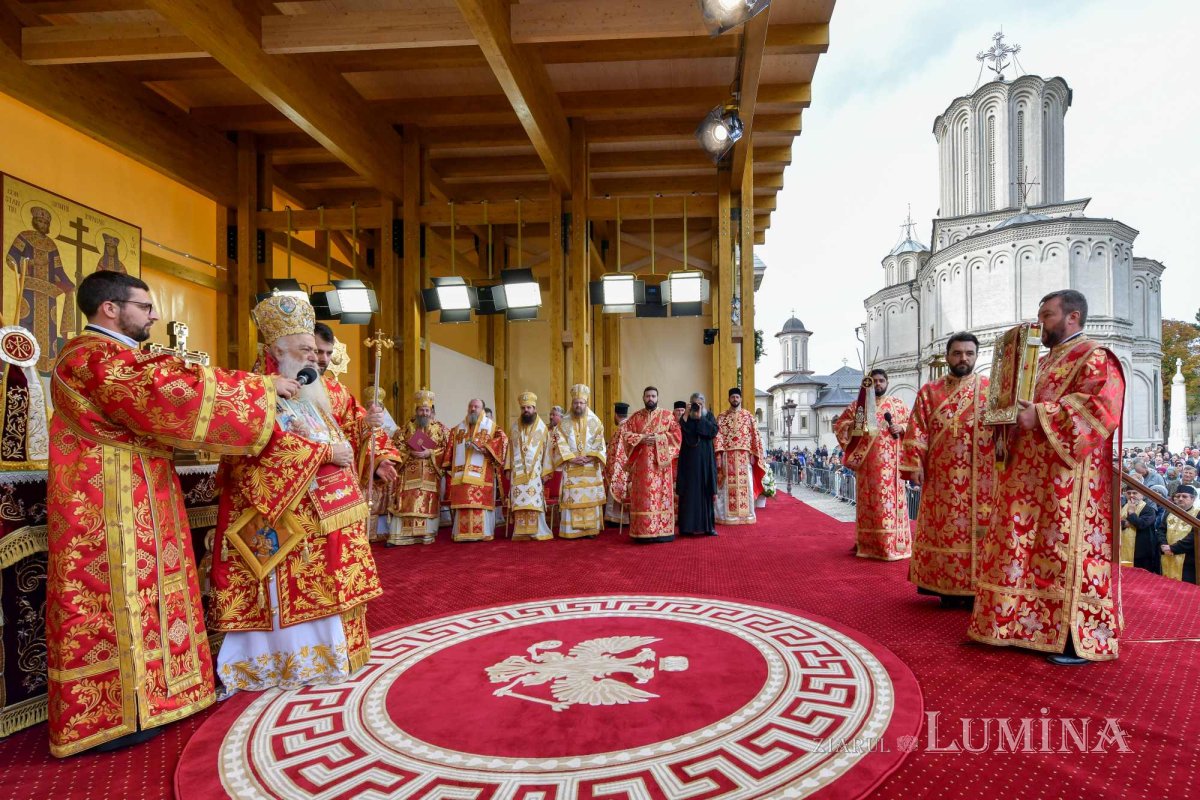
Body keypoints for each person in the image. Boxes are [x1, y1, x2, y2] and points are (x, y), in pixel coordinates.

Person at [45, 272, 288, 756]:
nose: (154, 315)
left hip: (140, 490)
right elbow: (166, 394)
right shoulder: (92, 356)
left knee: (152, 593)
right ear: (110, 308)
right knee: (115, 600)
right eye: (144, 306)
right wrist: (261, 388)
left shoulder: (115, 355)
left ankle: (159, 696)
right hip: (106, 502)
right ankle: (114, 714)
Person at [211, 294, 382, 692]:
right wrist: (325, 453)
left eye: (314, 349)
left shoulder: (308, 392)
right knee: (290, 582)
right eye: (305, 349)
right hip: (284, 519)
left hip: (325, 509)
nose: (313, 357)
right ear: (277, 350)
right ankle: (289, 660)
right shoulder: (255, 392)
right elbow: (258, 449)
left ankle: (332, 653)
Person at [969, 290, 1125, 665]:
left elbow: (1100, 409)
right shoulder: (1038, 363)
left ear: (1073, 317)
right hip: (1026, 477)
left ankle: (1073, 639)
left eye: (1048, 315)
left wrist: (1039, 415)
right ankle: (1024, 627)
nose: (1040, 323)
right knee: (1022, 551)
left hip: (1067, 481)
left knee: (1061, 555)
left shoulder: (1095, 356)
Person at [900, 333, 994, 606]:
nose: (963, 358)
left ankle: (979, 589)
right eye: (957, 353)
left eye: (969, 353)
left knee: (980, 533)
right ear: (947, 356)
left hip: (982, 477)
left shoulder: (990, 389)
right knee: (944, 529)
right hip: (942, 477)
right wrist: (915, 463)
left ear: (976, 356)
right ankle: (945, 587)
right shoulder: (930, 392)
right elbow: (917, 429)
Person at [833, 368, 911, 560]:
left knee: (890, 506)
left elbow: (913, 425)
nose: (878, 384)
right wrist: (856, 426)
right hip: (868, 467)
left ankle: (893, 544)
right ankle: (869, 544)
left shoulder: (898, 405)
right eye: (874, 381)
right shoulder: (858, 407)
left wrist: (901, 427)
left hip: (893, 468)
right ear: (868, 384)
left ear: (887, 382)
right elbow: (840, 426)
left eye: (881, 380)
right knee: (872, 506)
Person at [5, 205, 72, 370]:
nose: (42, 224)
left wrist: (68, 284)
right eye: (39, 221)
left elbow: (58, 270)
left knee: (49, 329)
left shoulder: (51, 245)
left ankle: (45, 365)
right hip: (28, 290)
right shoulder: (24, 237)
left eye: (45, 222)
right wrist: (32, 262)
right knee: (26, 322)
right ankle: (21, 361)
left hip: (48, 295)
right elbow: (11, 258)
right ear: (34, 221)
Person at [381, 389, 449, 546]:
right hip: (408, 472)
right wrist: (408, 452)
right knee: (406, 502)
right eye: (421, 410)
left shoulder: (441, 429)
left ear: (431, 411)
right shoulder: (406, 428)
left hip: (429, 472)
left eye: (427, 410)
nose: (424, 413)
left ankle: (425, 534)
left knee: (425, 501)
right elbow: (396, 447)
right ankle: (400, 536)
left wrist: (430, 453)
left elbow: (447, 450)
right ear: (416, 411)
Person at [614, 387, 682, 542]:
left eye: (653, 396)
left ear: (657, 397)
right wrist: (642, 438)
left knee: (660, 497)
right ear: (643, 398)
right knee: (643, 499)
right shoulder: (635, 417)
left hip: (661, 467)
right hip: (641, 466)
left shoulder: (667, 416)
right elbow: (625, 435)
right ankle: (642, 532)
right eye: (647, 396)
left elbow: (677, 437)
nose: (650, 398)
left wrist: (658, 439)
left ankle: (662, 532)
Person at [442, 398, 508, 541]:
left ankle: (483, 533)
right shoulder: (457, 429)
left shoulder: (491, 427)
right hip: (461, 475)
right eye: (471, 406)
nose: (473, 409)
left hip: (482, 474)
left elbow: (503, 439)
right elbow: (449, 451)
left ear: (482, 409)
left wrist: (484, 447)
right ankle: (461, 534)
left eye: (476, 407)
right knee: (464, 504)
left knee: (480, 505)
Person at [551, 384, 607, 539]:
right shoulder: (563, 422)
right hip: (572, 466)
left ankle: (590, 529)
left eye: (581, 402)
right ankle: (572, 531)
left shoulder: (595, 421)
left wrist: (591, 456)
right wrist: (571, 457)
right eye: (576, 402)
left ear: (586, 403)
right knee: (572, 498)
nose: (578, 405)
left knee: (590, 497)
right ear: (572, 403)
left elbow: (599, 440)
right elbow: (558, 441)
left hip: (590, 465)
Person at [714, 387, 766, 525]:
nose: (735, 399)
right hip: (727, 455)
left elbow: (755, 435)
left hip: (744, 456)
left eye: (737, 397)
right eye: (732, 397)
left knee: (746, 484)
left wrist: (754, 453)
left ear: (741, 399)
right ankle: (726, 517)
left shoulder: (748, 416)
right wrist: (718, 455)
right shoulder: (722, 417)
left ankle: (746, 515)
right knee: (726, 484)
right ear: (729, 399)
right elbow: (718, 436)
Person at [507, 391, 553, 541]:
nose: (526, 410)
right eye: (523, 408)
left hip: (535, 472)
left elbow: (548, 452)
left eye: (529, 407)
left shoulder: (542, 428)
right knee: (519, 501)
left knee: (534, 501)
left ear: (534, 408)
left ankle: (537, 531)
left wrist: (546, 472)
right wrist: (508, 468)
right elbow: (509, 450)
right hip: (517, 472)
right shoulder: (514, 427)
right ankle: (520, 532)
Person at [677, 392, 719, 537]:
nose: (698, 406)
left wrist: (700, 417)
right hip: (688, 462)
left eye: (700, 404)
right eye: (695, 404)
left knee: (706, 491)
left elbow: (713, 431)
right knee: (688, 492)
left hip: (705, 461)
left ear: (704, 404)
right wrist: (686, 415)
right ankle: (686, 528)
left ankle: (708, 527)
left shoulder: (708, 416)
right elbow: (680, 432)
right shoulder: (686, 418)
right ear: (690, 404)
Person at [1161, 484, 1197, 583]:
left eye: (1184, 496)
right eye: (1178, 496)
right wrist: (1163, 545)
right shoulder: (1170, 512)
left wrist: (1173, 548)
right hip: (1167, 553)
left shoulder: (1197, 514)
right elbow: (1161, 530)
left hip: (1187, 558)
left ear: (1193, 499)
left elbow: (1194, 536)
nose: (1180, 499)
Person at [604, 402, 632, 527]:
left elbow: (615, 452)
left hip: (619, 466)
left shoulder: (620, 430)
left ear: (615, 415)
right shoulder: (629, 428)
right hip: (628, 467)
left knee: (615, 489)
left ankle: (615, 518)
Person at [1123, 485, 1161, 574]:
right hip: (1123, 547)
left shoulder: (1149, 509)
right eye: (1129, 493)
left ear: (1142, 495)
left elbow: (1142, 524)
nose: (1131, 495)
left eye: (1134, 493)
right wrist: (1124, 524)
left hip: (1141, 551)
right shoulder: (1123, 506)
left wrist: (1132, 513)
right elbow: (1116, 521)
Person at [543, 405, 565, 530]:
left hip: (559, 467)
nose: (551, 417)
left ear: (561, 417)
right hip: (545, 466)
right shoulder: (545, 430)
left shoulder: (564, 430)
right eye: (550, 414)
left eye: (554, 415)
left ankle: (559, 520)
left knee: (559, 493)